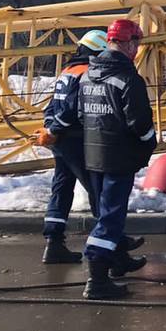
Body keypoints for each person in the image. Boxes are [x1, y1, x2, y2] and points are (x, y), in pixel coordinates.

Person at [68, 18, 156, 300]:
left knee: (106, 212)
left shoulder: (88, 75)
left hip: (92, 154)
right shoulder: (128, 79)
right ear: (129, 43)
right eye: (137, 44)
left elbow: (81, 115)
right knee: (110, 219)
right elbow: (141, 124)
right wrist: (146, 147)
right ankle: (96, 278)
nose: (137, 50)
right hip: (119, 157)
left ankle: (117, 262)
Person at [36, 30, 108, 265]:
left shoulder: (67, 71)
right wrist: (56, 129)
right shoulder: (88, 72)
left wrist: (50, 130)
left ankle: (53, 243)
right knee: (97, 188)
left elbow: (52, 107)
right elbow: (71, 110)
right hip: (76, 139)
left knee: (62, 187)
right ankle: (112, 245)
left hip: (60, 141)